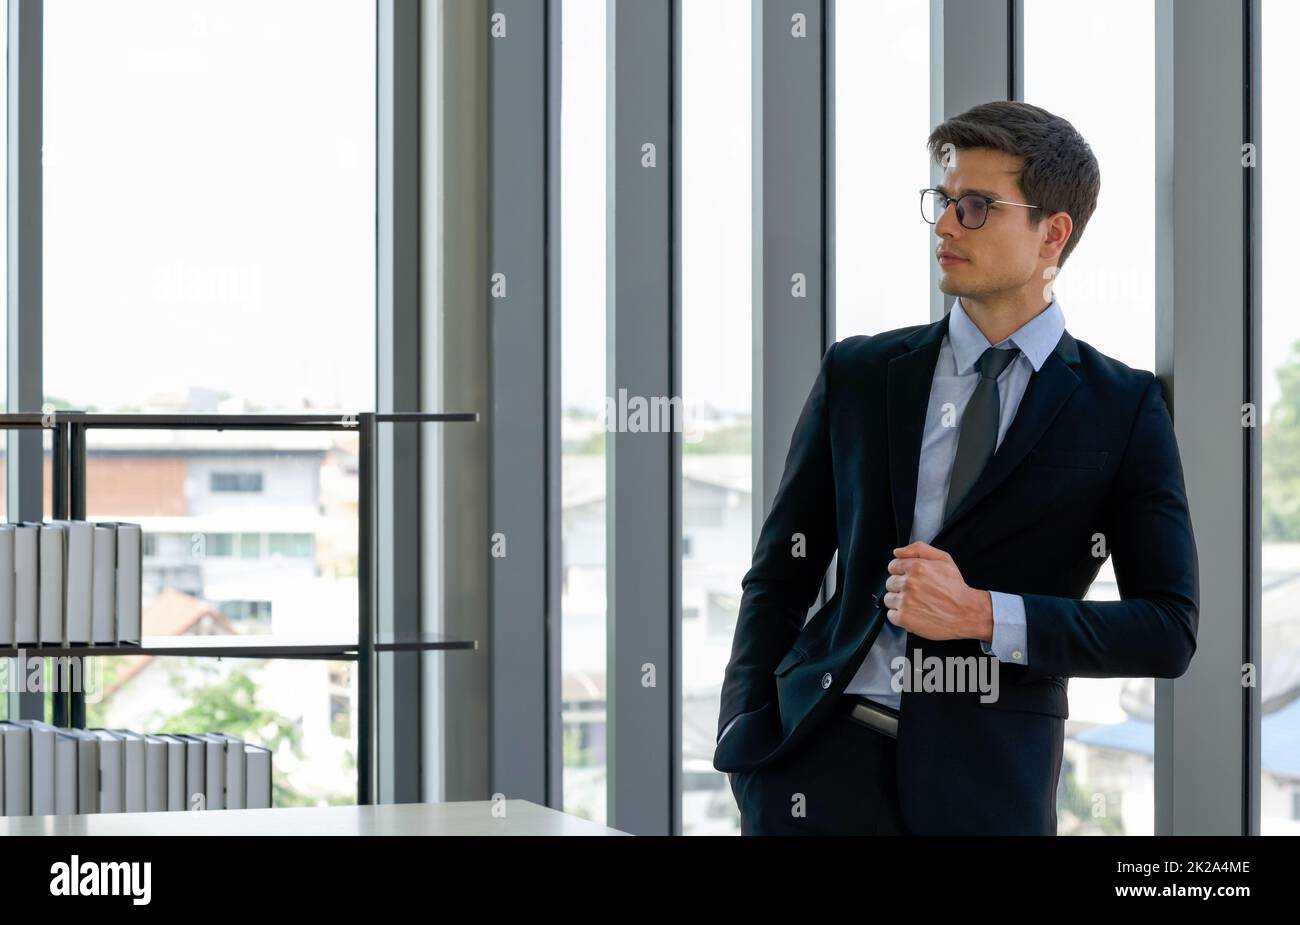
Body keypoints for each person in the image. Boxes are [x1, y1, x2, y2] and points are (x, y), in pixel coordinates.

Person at [715, 100, 1199, 835]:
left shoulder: (1122, 407)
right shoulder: (861, 372)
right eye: (942, 202)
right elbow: (781, 572)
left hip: (988, 791)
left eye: (975, 207)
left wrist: (984, 613)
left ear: (1052, 233)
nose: (945, 225)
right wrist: (746, 735)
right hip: (813, 768)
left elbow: (1167, 628)